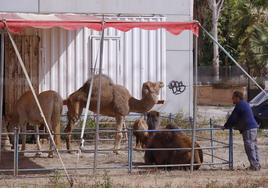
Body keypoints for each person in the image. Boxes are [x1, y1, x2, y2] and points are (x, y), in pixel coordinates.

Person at [223, 91, 261, 171]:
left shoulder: (239, 105)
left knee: (250, 147)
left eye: (233, 98)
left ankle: (254, 166)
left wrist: (226, 126)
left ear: (237, 98)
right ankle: (256, 164)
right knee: (254, 146)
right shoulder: (245, 104)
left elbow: (233, 118)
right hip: (253, 127)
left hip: (249, 129)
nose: (232, 99)